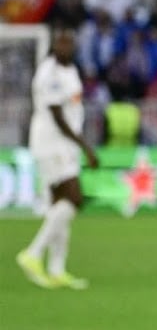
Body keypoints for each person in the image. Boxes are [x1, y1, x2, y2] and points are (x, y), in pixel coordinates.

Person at [16, 26, 99, 290]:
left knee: (60, 206)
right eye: (62, 42)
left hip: (65, 146)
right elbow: (57, 115)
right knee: (74, 199)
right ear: (54, 45)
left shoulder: (71, 70)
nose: (67, 47)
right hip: (52, 143)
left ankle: (56, 268)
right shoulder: (48, 72)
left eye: (70, 42)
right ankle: (33, 253)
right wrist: (85, 146)